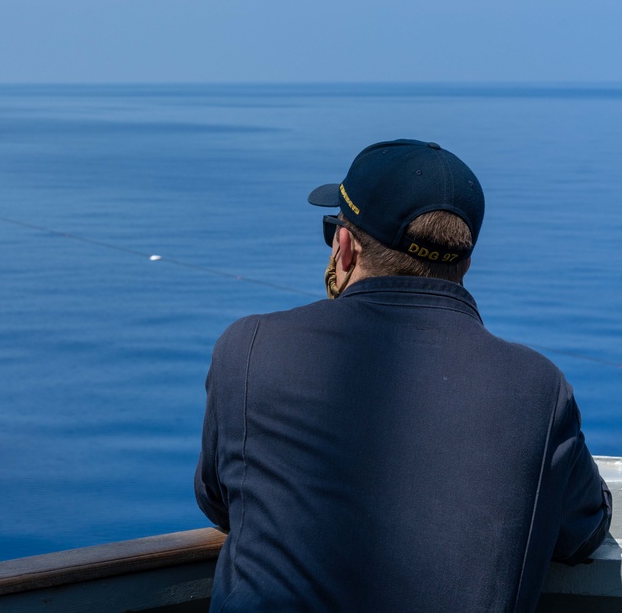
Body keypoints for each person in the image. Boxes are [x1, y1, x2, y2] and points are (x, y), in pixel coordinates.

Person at [194, 139, 612, 612]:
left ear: (344, 246)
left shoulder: (249, 348)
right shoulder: (540, 389)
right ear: (466, 262)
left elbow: (218, 501)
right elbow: (583, 531)